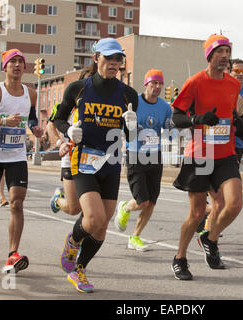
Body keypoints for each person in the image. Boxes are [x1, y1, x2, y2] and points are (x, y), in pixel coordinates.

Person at [53, 38, 138, 293]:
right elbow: (58, 118)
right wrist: (70, 131)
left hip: (111, 163)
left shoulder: (128, 94)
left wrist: (132, 127)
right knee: (94, 217)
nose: (114, 64)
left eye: (118, 60)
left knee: (101, 225)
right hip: (84, 161)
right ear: (96, 58)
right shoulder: (78, 88)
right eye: (109, 58)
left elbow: (131, 137)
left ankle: (80, 269)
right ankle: (74, 239)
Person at [170, 34, 243, 280]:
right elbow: (176, 117)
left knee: (233, 204)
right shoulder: (195, 82)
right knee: (198, 213)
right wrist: (196, 120)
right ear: (210, 55)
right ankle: (180, 257)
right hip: (200, 154)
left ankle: (210, 239)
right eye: (220, 51)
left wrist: (240, 123)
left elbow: (231, 114)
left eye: (227, 51)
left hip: (225, 154)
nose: (225, 56)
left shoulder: (234, 84)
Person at [0, 49, 43, 273]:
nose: (16, 65)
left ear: (25, 67)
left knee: (17, 202)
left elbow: (31, 116)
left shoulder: (30, 93)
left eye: (20, 62)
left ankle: (12, 254)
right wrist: (3, 120)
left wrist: (35, 128)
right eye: (12, 62)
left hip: (17, 155)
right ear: (5, 67)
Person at [114, 68, 172, 251]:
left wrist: (174, 128)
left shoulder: (165, 107)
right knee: (142, 202)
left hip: (155, 156)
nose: (157, 87)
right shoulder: (134, 103)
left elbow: (169, 133)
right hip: (135, 155)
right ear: (146, 84)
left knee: (152, 202)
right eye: (153, 83)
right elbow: (125, 129)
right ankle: (124, 207)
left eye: (160, 83)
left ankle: (135, 237)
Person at [48, 66, 92, 216]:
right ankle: (58, 200)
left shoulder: (101, 105)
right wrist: (60, 143)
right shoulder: (67, 105)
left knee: (90, 208)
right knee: (74, 208)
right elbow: (50, 126)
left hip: (92, 159)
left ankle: (79, 237)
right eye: (86, 79)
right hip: (70, 158)